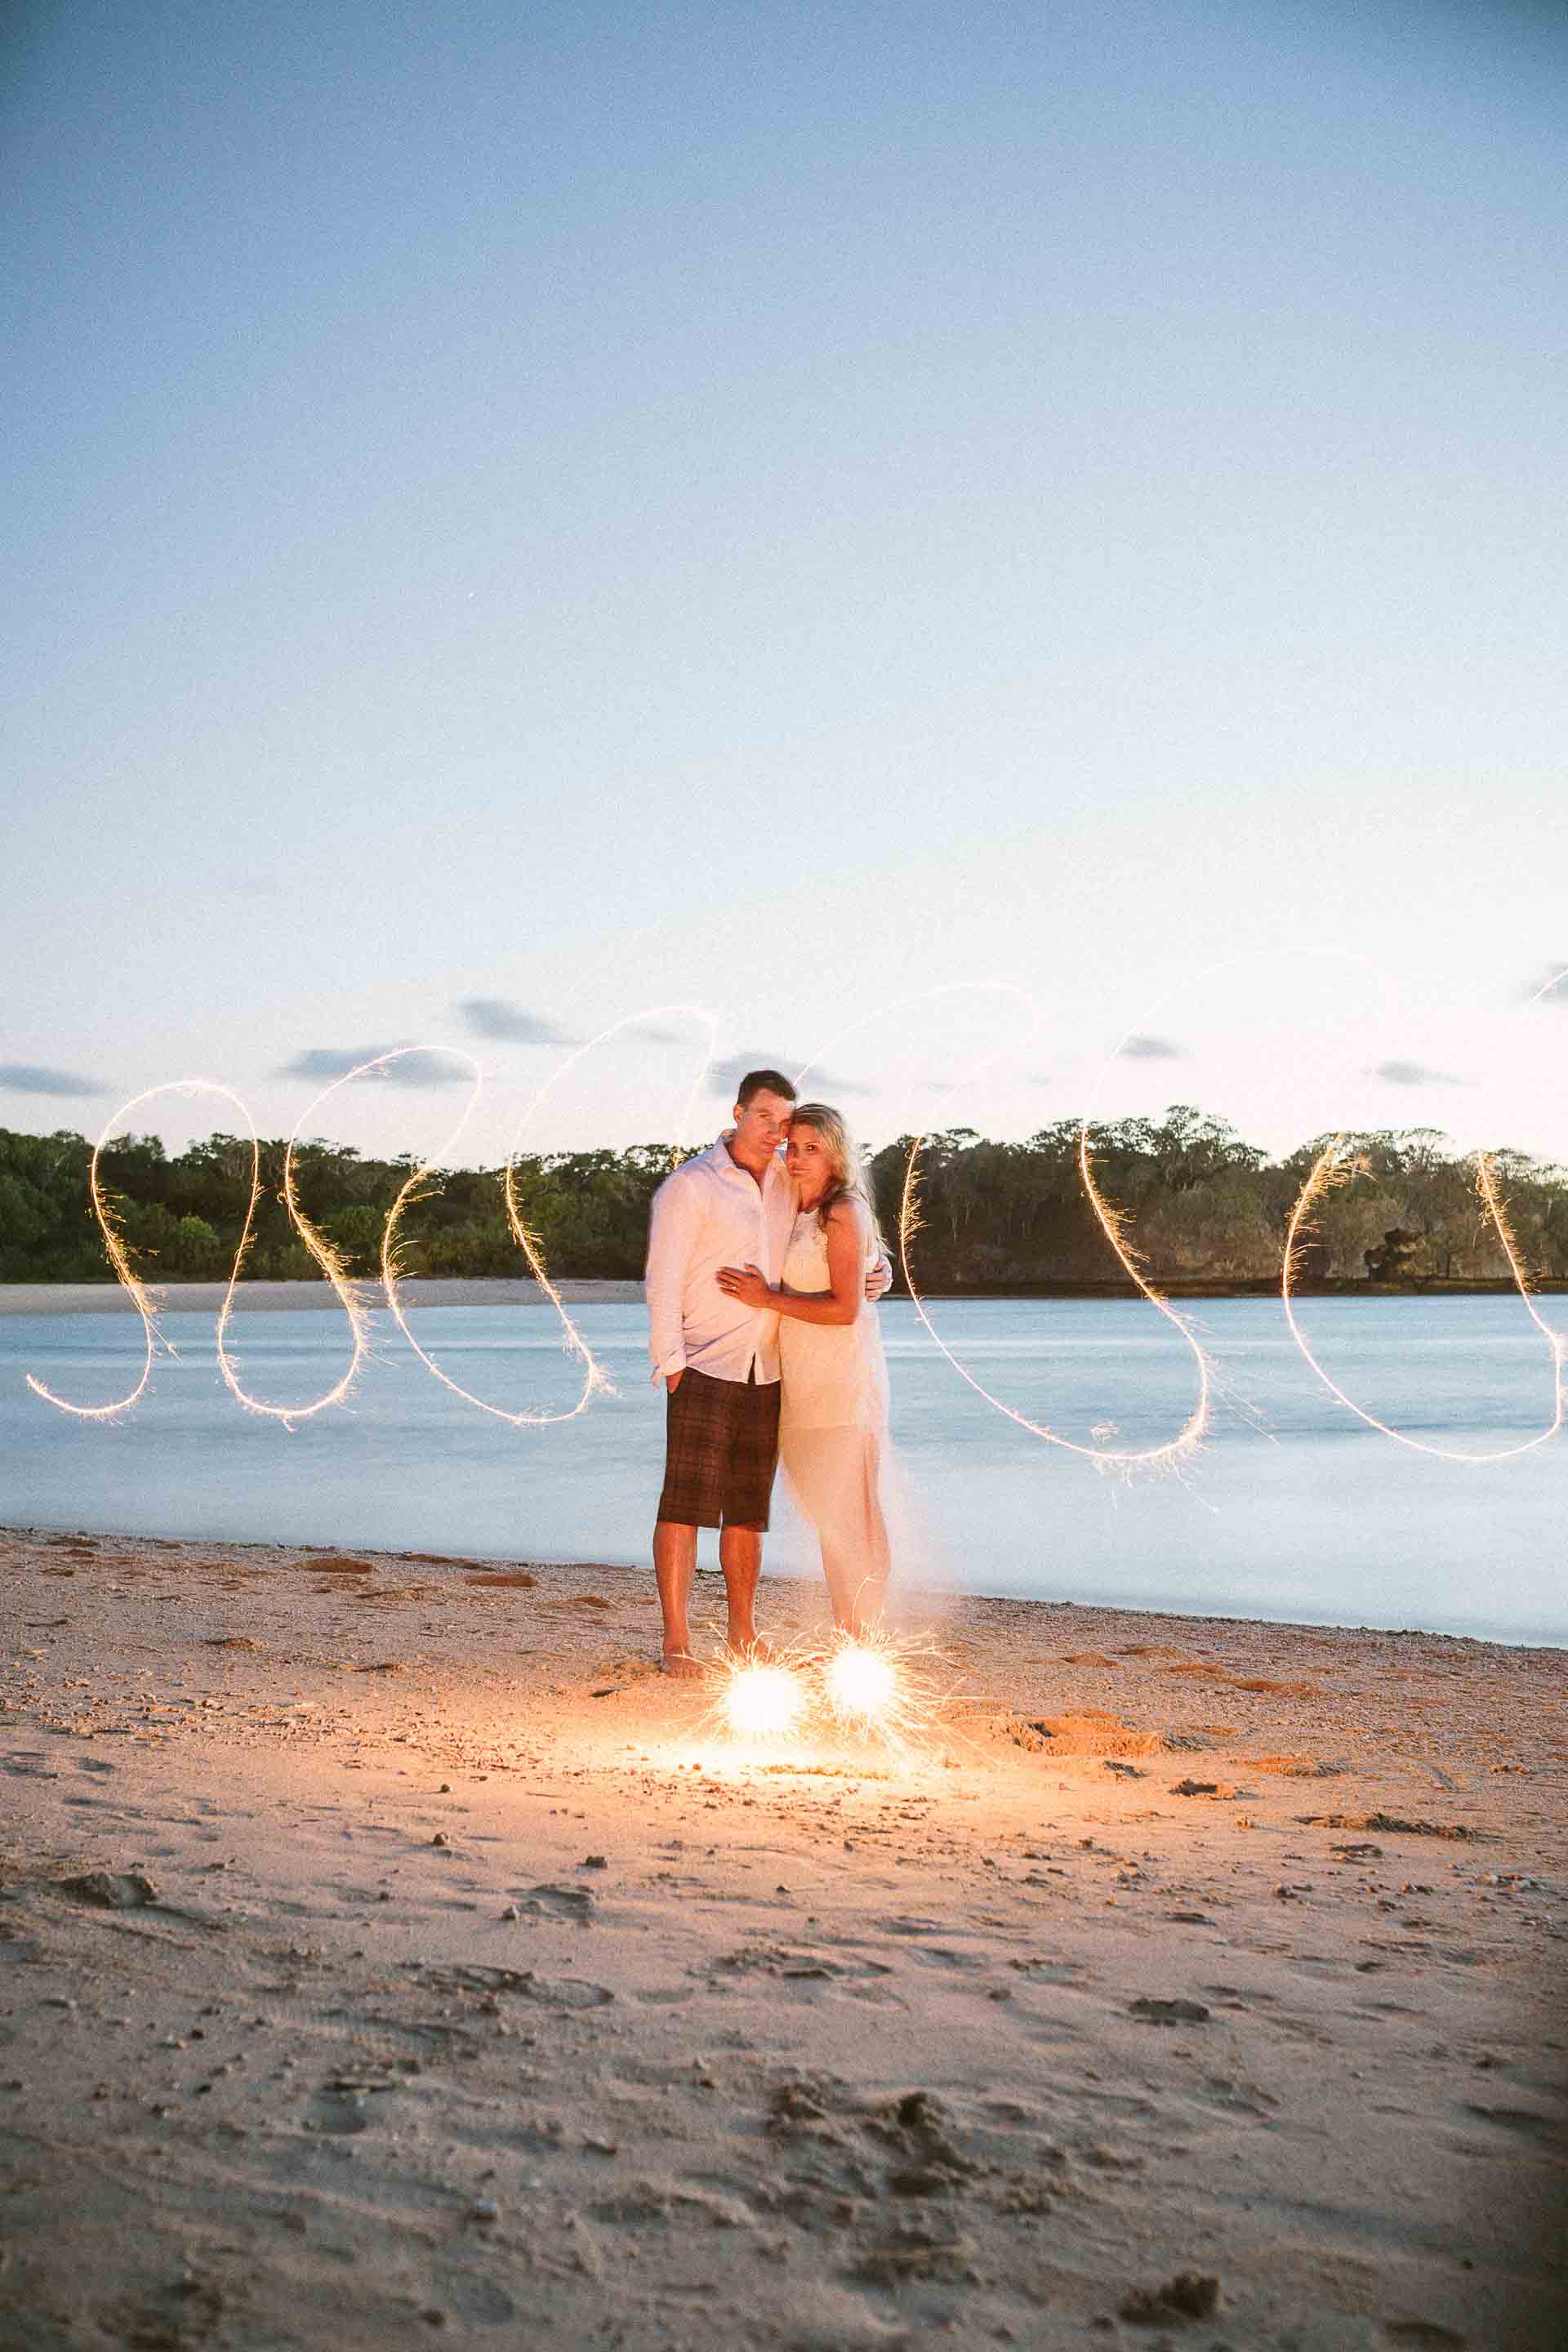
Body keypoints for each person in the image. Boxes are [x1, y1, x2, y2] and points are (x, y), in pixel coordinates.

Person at [645, 1071, 890, 1677]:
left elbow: (833, 1225)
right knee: (684, 1506)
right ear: (737, 1112)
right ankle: (677, 1641)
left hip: (773, 1370)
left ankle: (742, 1634)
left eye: (786, 1125)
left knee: (747, 1512)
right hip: (705, 1362)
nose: (778, 1134)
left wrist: (876, 1267)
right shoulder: (691, 1185)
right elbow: (662, 1279)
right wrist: (671, 1364)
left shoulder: (787, 1179)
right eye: (766, 1119)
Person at [716, 1102, 891, 1637]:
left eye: (813, 1148)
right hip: (800, 1380)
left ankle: (862, 1634)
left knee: (852, 1514)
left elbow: (843, 1310)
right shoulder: (794, 1202)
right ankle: (851, 1628)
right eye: (794, 1147)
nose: (798, 1158)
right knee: (827, 1512)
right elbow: (731, 1140)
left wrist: (767, 1299)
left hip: (842, 1379)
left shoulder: (843, 1210)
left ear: (836, 1155)